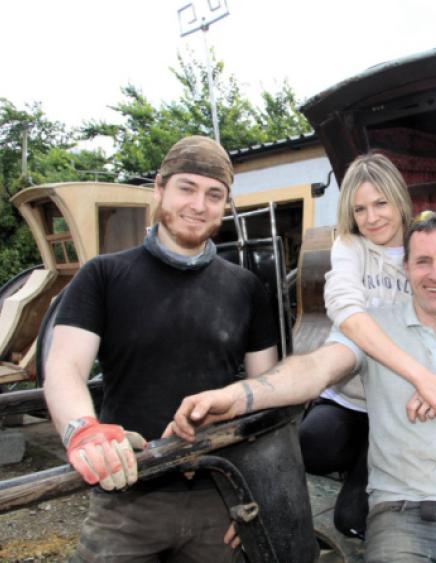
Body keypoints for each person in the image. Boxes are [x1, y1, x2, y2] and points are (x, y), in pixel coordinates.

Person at [170, 210, 436, 563]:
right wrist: (235, 398)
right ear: (405, 268)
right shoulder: (374, 332)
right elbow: (313, 369)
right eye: (423, 261)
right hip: (402, 515)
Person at [43, 135, 278, 562]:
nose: (198, 205)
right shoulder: (104, 275)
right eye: (186, 188)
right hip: (127, 497)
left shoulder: (246, 288)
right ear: (159, 188)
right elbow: (63, 368)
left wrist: (255, 495)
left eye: (214, 195)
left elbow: (266, 393)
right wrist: (82, 429)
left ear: (225, 204)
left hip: (219, 495)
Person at [300, 153, 436, 537]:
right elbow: (343, 306)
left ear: (399, 199)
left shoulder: (424, 248)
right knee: (310, 445)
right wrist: (421, 375)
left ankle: (372, 467)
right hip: (352, 396)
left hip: (400, 407)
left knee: (353, 522)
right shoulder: (350, 246)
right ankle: (363, 457)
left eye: (381, 203)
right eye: (360, 208)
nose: (372, 217)